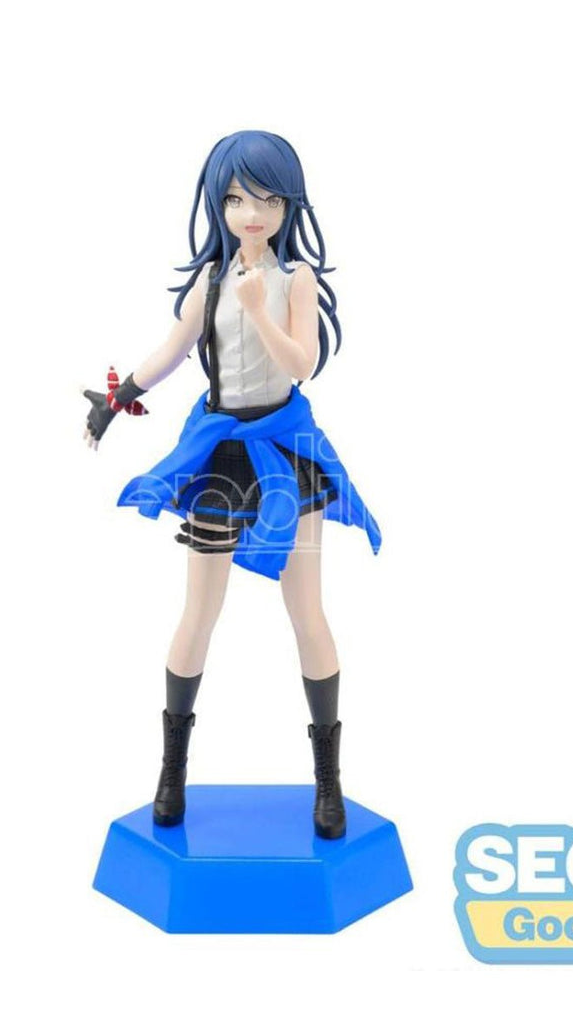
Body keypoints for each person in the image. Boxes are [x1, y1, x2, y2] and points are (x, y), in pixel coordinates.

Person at [83, 130, 380, 839]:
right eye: (238, 198)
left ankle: (329, 780)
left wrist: (257, 309)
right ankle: (171, 770)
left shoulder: (295, 279)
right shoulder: (211, 281)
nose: (252, 213)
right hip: (221, 451)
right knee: (198, 613)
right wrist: (115, 400)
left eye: (267, 200)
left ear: (288, 206)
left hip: (285, 449)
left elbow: (302, 363)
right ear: (218, 202)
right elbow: (173, 350)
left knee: (307, 612)